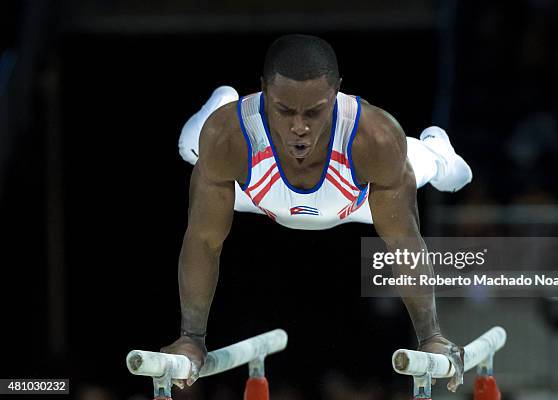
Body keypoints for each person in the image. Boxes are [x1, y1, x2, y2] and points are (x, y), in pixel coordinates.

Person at [161, 34, 470, 393]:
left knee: (451, 175)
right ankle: (224, 99)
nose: (299, 126)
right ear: (263, 91)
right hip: (256, 193)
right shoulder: (230, 135)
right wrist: (191, 338)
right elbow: (204, 241)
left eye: (314, 111)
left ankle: (436, 147)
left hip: (357, 199)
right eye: (284, 110)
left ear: (338, 92)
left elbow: (402, 241)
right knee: (192, 147)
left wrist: (430, 335)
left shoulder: (374, 137)